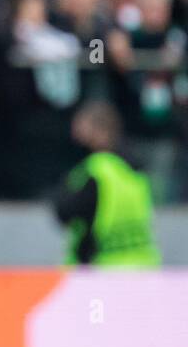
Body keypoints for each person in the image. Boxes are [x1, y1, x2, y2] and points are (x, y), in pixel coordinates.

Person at [54, 100, 161, 266]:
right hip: (143, 265)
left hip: (103, 269)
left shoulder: (97, 170)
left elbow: (65, 212)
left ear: (98, 129)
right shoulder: (136, 169)